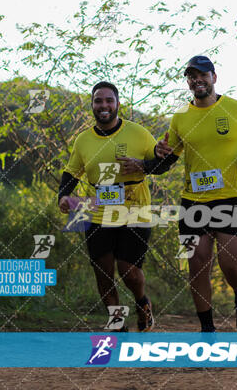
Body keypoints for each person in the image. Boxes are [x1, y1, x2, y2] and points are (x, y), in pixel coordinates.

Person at [152, 55, 237, 332]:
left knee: (230, 262)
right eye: (192, 77)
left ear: (214, 78)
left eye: (203, 75)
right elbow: (169, 159)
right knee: (196, 264)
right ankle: (207, 330)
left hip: (232, 196)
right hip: (193, 199)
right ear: (189, 82)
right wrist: (153, 159)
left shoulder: (236, 108)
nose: (198, 80)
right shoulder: (181, 117)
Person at [58, 81, 156, 332]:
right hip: (98, 213)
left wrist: (145, 166)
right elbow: (72, 171)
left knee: (129, 271)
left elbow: (161, 163)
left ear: (117, 104)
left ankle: (142, 302)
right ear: (92, 105)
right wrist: (64, 195)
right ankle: (117, 323)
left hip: (135, 211)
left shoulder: (139, 134)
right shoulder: (83, 141)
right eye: (98, 101)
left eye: (109, 101)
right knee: (103, 272)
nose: (104, 106)